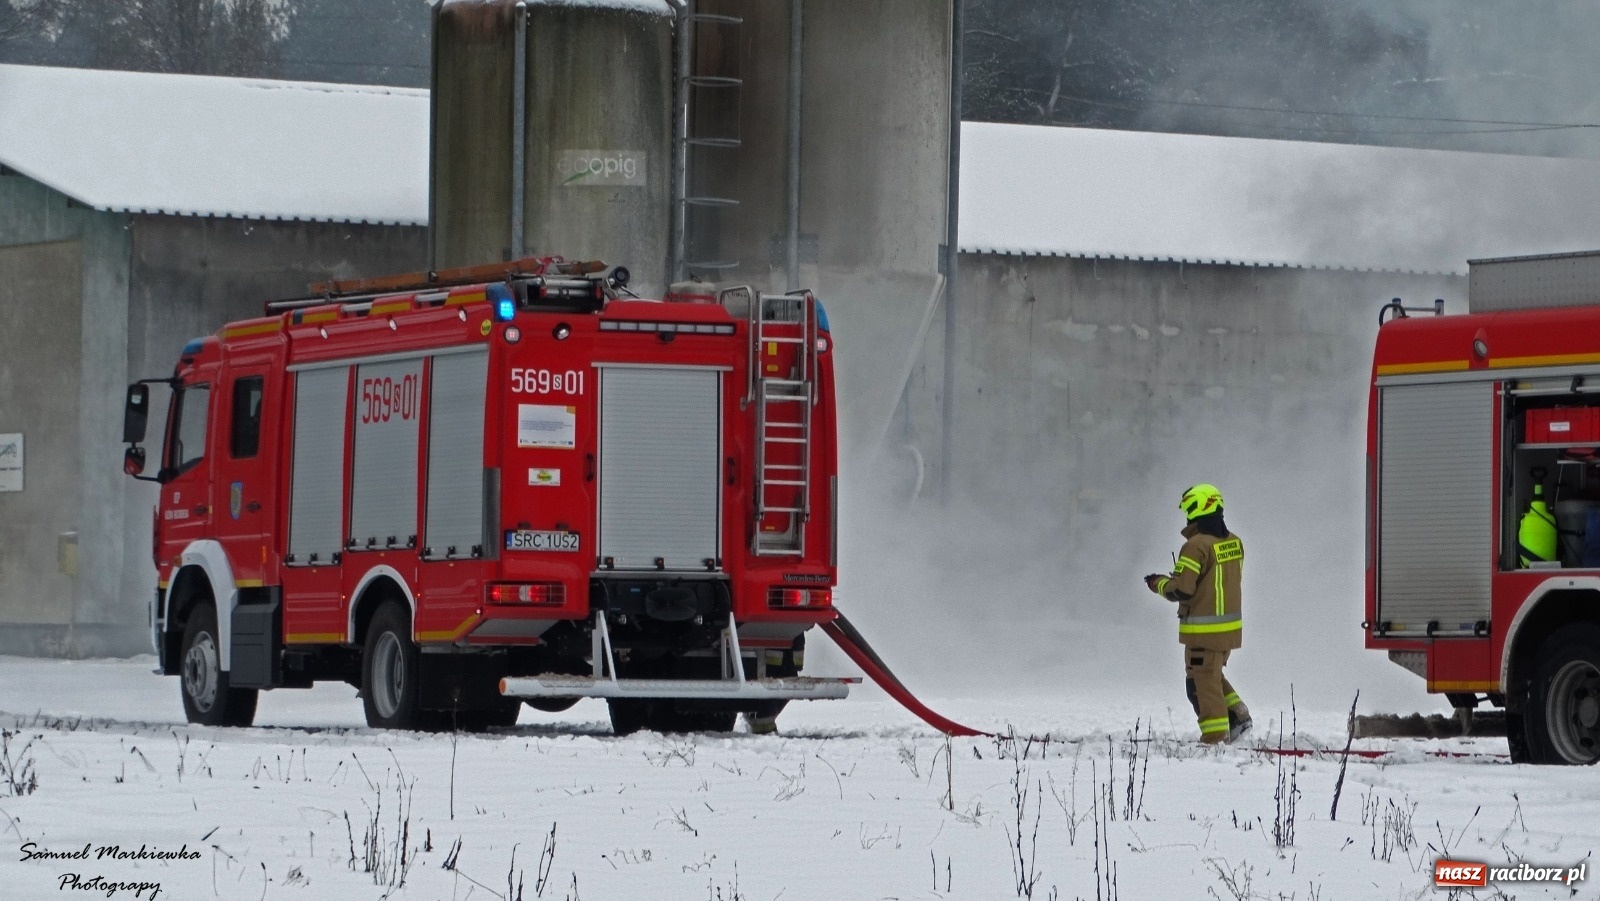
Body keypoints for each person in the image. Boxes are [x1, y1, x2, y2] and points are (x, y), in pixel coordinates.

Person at [1144, 483, 1252, 745]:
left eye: (1188, 510)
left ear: (1196, 509)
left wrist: (1157, 583)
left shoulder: (1196, 546)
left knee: (1201, 685)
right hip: (1228, 629)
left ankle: (1215, 738)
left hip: (1204, 632)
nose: (1187, 516)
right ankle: (1238, 717)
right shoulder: (1234, 542)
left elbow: (1181, 590)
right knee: (1210, 676)